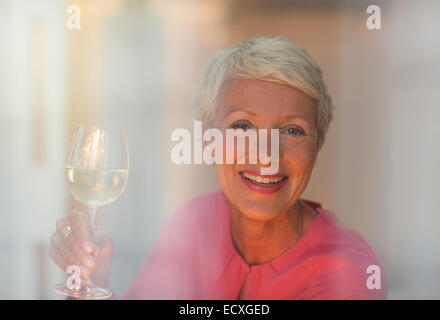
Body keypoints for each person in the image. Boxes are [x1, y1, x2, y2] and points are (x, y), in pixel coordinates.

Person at [50, 37, 387, 299]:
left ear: (319, 143)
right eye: (242, 127)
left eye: (292, 131)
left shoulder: (348, 275)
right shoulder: (195, 222)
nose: (266, 155)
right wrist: (95, 279)